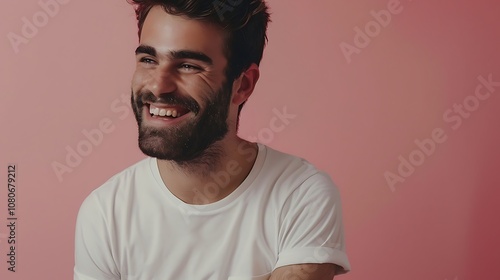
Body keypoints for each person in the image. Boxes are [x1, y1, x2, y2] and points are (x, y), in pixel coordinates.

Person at [74, 0, 351, 279]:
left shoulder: (301, 194)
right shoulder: (105, 213)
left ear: (242, 85)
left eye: (188, 66)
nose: (158, 85)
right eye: (148, 60)